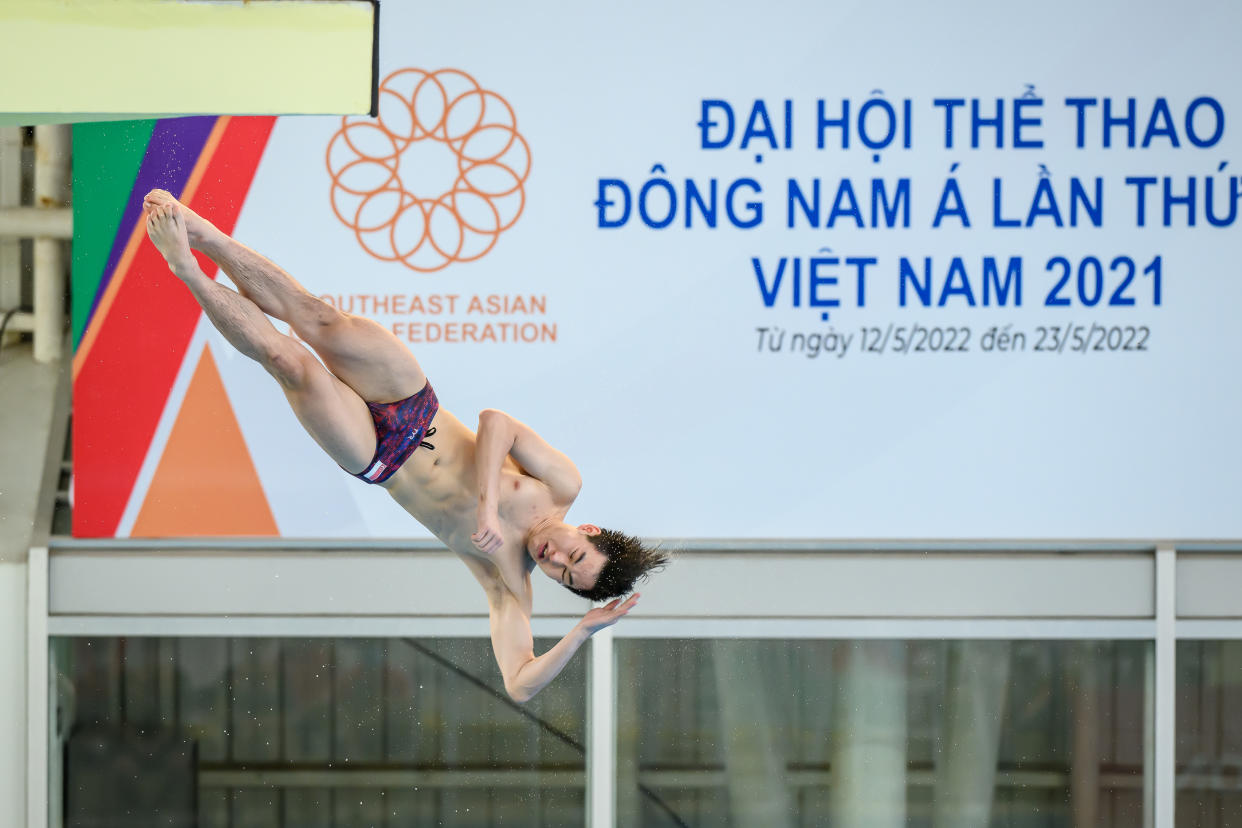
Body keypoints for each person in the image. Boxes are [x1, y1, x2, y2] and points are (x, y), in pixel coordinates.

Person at [141, 190, 666, 702]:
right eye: (574, 553)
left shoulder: (507, 581)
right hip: (414, 402)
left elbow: (519, 684)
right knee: (316, 317)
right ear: (589, 530)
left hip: (378, 456)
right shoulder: (560, 484)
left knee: (289, 363)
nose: (555, 560)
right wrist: (486, 505)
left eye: (564, 575)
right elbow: (495, 422)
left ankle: (186, 269)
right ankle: (205, 235)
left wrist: (580, 633)